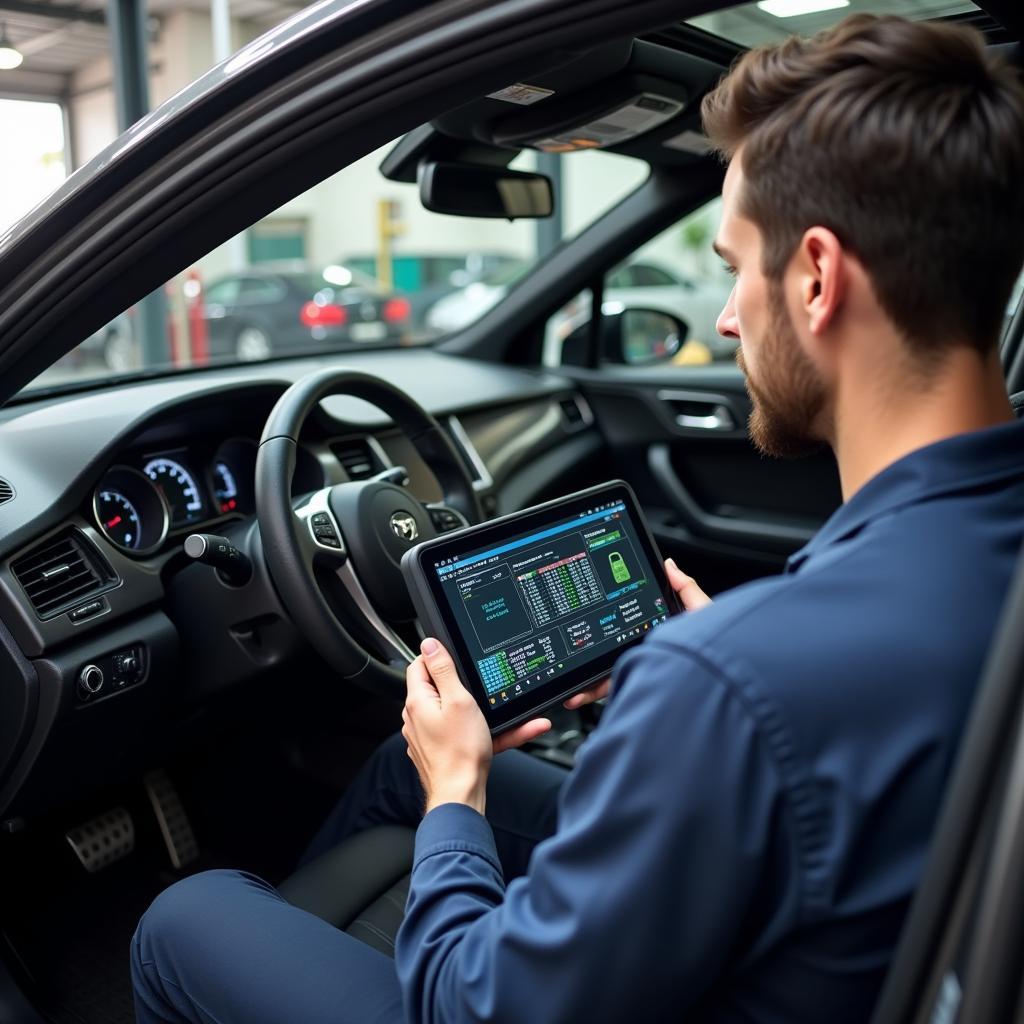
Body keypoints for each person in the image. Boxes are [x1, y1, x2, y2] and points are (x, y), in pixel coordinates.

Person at [131, 13, 1024, 1024]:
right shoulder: (953, 561)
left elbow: (478, 1005)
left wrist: (461, 793)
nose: (727, 315)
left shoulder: (731, 685)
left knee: (188, 912)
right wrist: (701, 680)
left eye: (734, 265)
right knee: (397, 770)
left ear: (816, 276)